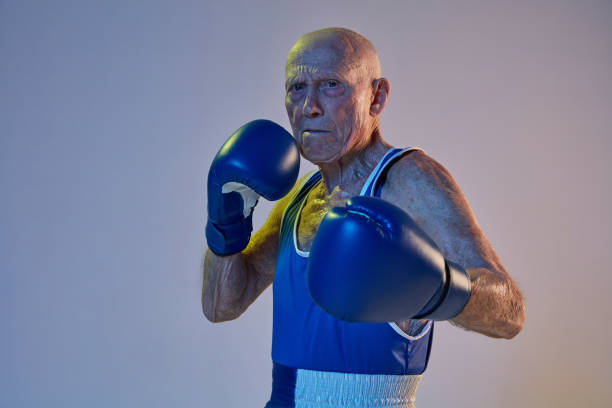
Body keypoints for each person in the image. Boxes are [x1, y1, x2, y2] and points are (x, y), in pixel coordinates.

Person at [202, 27, 525, 408]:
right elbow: (222, 305)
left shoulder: (409, 179)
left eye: (331, 85)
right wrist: (227, 219)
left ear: (377, 96)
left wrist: (434, 289)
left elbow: (511, 313)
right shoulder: (297, 194)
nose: (310, 107)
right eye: (297, 88)